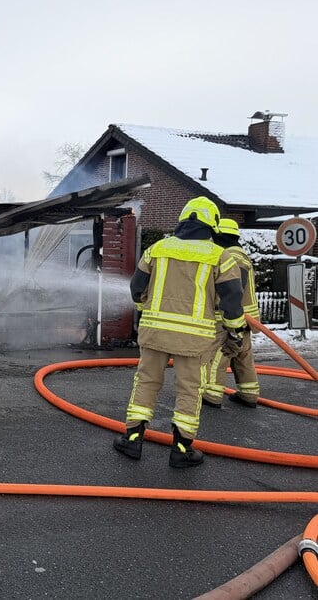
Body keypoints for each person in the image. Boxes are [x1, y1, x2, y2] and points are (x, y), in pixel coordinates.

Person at [113, 196, 246, 468]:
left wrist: (146, 309)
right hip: (195, 338)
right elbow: (232, 301)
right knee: (189, 390)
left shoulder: (157, 249)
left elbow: (137, 289)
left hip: (154, 333)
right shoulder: (221, 257)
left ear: (183, 219)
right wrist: (235, 330)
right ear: (213, 225)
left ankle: (133, 439)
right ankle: (182, 449)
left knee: (146, 381)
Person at [201, 218, 260, 408]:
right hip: (246, 317)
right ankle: (249, 394)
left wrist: (229, 315)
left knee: (221, 352)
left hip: (230, 316)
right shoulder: (240, 254)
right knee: (242, 354)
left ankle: (211, 394)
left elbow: (234, 290)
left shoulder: (231, 257)